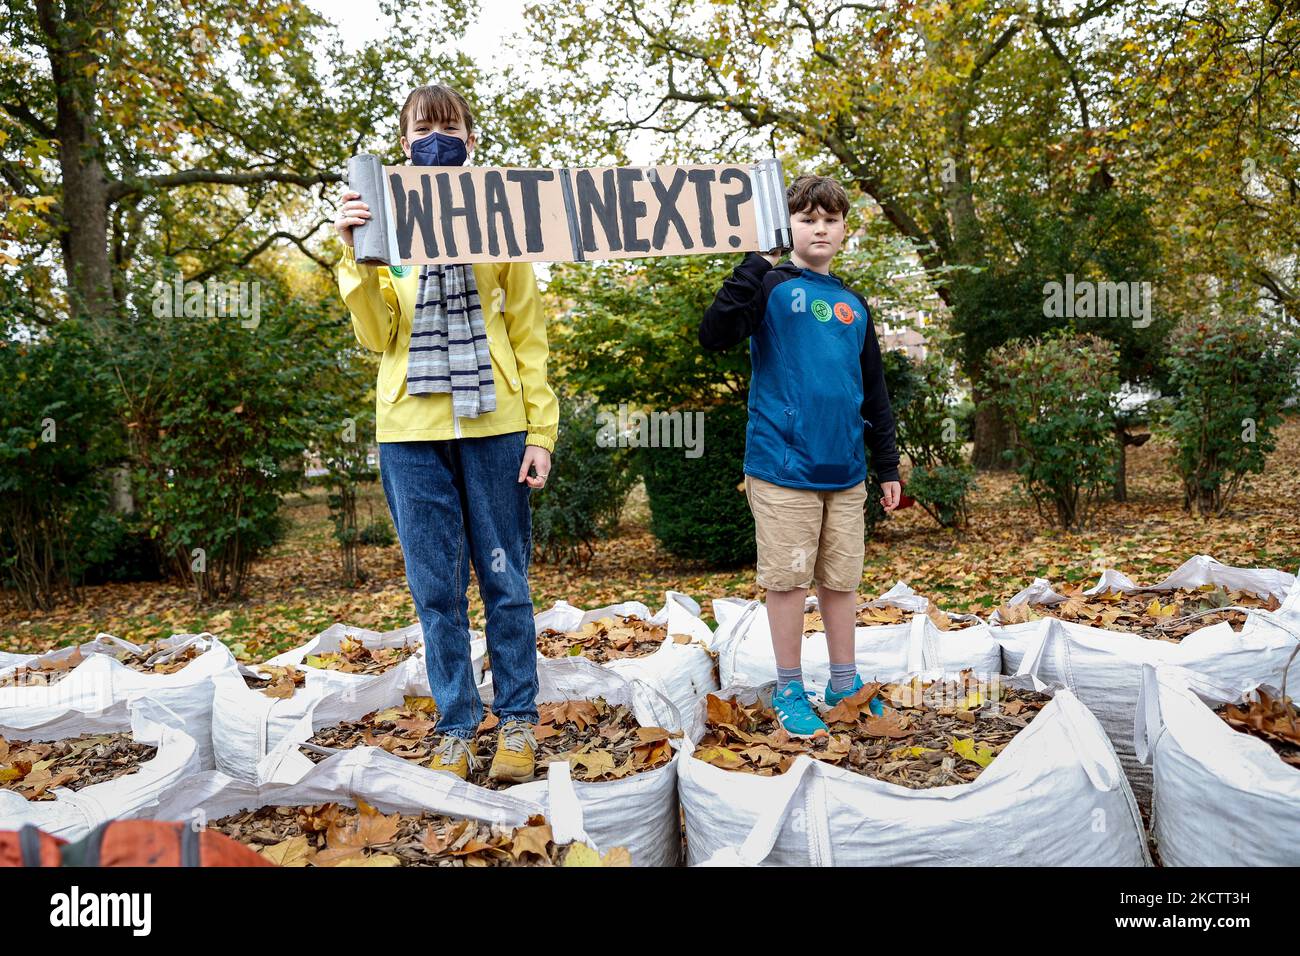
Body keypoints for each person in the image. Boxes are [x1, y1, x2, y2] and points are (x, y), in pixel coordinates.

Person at [332, 84, 558, 780]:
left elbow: (528, 329)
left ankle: (518, 720)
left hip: (497, 424)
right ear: (403, 142)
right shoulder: (382, 222)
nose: (436, 135)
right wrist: (353, 255)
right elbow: (376, 334)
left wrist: (541, 432)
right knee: (435, 591)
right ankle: (458, 726)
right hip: (410, 430)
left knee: (506, 580)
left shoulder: (503, 219)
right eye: (423, 126)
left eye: (450, 125)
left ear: (471, 139)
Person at [698, 174, 902, 738]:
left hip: (847, 472)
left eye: (830, 220)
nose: (820, 228)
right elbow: (713, 333)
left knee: (841, 581)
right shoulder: (768, 285)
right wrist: (754, 262)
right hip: (783, 467)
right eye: (808, 218)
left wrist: (887, 466)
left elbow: (874, 391)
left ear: (843, 232)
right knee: (787, 581)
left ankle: (844, 682)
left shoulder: (852, 303)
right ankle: (789, 688)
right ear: (788, 228)